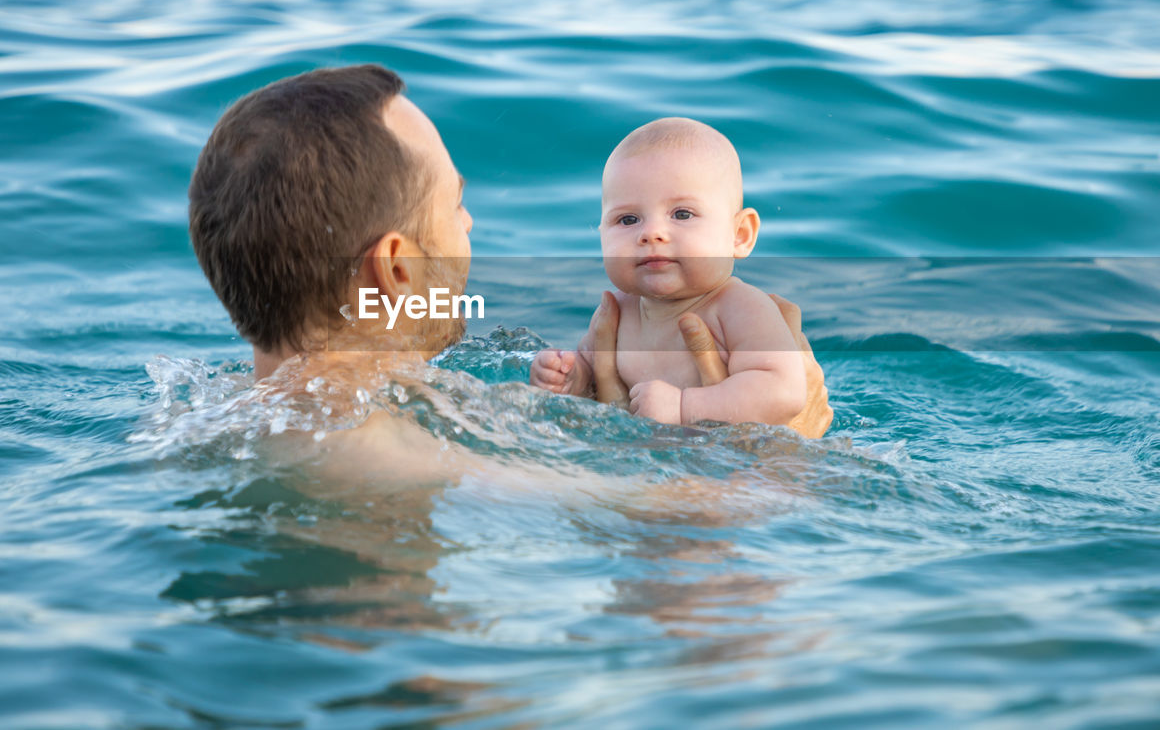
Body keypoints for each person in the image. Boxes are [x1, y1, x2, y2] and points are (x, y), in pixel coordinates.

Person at [188, 65, 832, 497]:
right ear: (398, 268)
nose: (469, 225)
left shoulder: (209, 417)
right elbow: (678, 517)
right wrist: (777, 457)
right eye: (453, 206)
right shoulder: (381, 457)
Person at [529, 118, 808, 428]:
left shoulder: (740, 308)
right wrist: (568, 377)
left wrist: (684, 407)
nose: (651, 234)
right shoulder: (617, 312)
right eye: (628, 219)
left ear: (740, 234)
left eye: (682, 214)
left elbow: (784, 392)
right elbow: (591, 374)